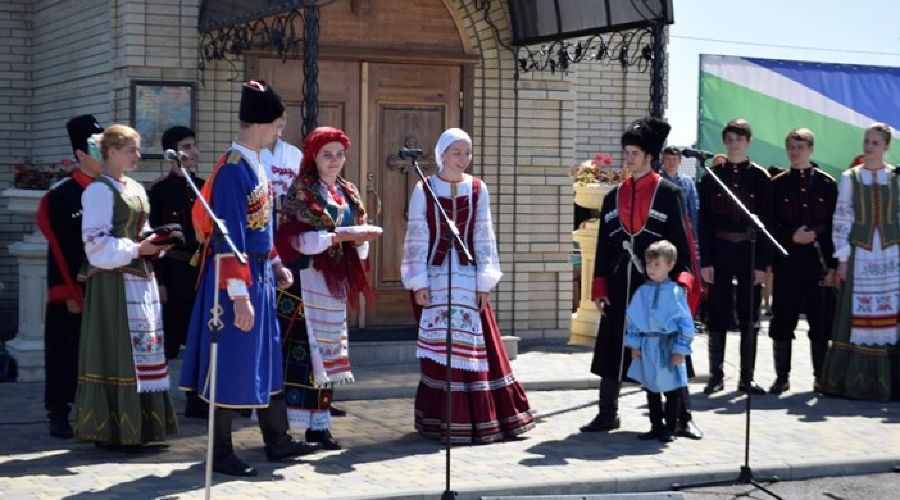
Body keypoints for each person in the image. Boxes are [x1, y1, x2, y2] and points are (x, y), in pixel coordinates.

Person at [179, 81, 319, 477]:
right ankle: (220, 452)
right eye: (278, 126)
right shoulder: (232, 170)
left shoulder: (255, 162)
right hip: (232, 278)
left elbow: (261, 227)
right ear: (264, 124)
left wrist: (274, 262)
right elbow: (229, 236)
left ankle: (277, 439)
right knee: (232, 361)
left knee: (266, 354)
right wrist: (238, 296)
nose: (280, 134)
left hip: (257, 272)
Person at [401, 127, 534, 444]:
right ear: (442, 154)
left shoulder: (477, 188)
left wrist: (485, 280)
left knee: (478, 345)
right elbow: (417, 236)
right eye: (457, 152)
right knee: (441, 347)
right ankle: (442, 420)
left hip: (467, 276)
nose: (463, 158)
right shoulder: (424, 188)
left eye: (467, 152)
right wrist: (417, 280)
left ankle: (482, 420)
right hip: (435, 278)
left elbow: (483, 235)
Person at [580, 117, 698, 434]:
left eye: (633, 153)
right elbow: (604, 248)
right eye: (626, 152)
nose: (627, 159)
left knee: (668, 351)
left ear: (649, 156)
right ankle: (607, 413)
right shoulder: (612, 196)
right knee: (612, 347)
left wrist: (681, 286)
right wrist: (601, 288)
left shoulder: (669, 193)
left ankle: (682, 418)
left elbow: (682, 245)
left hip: (657, 287)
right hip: (620, 286)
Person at [274, 126, 379, 449]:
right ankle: (290, 428)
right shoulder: (301, 190)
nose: (334, 161)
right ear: (313, 157)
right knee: (302, 354)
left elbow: (357, 233)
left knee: (329, 353)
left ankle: (320, 426)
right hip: (304, 280)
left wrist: (359, 241)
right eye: (326, 155)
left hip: (333, 283)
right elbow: (292, 239)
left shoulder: (348, 191)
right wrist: (338, 237)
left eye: (339, 154)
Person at [73, 124, 178, 447]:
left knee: (144, 350)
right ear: (111, 152)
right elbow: (95, 247)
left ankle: (143, 427)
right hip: (113, 283)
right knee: (118, 350)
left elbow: (139, 230)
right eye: (131, 149)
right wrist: (137, 249)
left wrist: (158, 240)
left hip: (139, 278)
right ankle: (113, 430)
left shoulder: (133, 187)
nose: (138, 155)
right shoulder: (99, 191)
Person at [820, 123, 899, 402]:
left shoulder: (897, 177)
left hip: (892, 255)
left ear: (886, 146)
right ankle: (852, 381)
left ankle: (893, 382)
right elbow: (842, 218)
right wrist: (842, 259)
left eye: (875, 143)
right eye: (867, 141)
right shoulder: (851, 177)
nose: (869, 147)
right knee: (857, 311)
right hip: (862, 254)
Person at [36, 114, 104, 438]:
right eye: (98, 147)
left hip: (106, 289)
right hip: (71, 289)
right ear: (81, 153)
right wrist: (73, 292)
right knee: (64, 352)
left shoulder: (111, 188)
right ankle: (58, 412)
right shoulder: (61, 195)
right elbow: (63, 249)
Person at [697, 118, 772, 396]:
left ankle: (747, 378)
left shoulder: (761, 178)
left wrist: (763, 264)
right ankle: (716, 375)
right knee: (717, 315)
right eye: (729, 139)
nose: (734, 144)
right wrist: (706, 261)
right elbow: (703, 221)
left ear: (749, 142)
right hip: (720, 250)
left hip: (749, 251)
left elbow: (768, 223)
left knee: (749, 316)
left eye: (739, 139)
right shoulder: (712, 177)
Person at [768, 128, 837, 395]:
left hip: (818, 263)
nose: (795, 152)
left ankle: (820, 377)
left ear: (810, 148)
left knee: (820, 323)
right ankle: (781, 377)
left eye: (800, 147)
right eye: (791, 147)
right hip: (789, 262)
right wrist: (790, 236)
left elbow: (834, 227)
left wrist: (832, 265)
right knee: (782, 320)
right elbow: (770, 225)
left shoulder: (827, 184)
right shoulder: (778, 185)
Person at [147, 126, 208, 418]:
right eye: (187, 146)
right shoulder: (159, 191)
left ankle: (197, 398)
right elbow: (155, 238)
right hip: (174, 271)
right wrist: (159, 280)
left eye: (195, 145)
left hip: (201, 270)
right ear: (172, 152)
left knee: (198, 336)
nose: (194, 152)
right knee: (169, 339)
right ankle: (156, 400)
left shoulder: (203, 186)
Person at [624, 240, 695, 442]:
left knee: (671, 389)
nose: (651, 269)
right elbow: (634, 320)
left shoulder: (675, 292)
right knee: (650, 388)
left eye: (657, 265)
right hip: (648, 347)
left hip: (667, 346)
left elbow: (685, 322)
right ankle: (656, 425)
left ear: (670, 266)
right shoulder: (642, 291)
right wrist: (635, 344)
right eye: (649, 264)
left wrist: (680, 349)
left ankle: (670, 428)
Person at [659, 146, 704, 440]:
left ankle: (682, 416)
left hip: (679, 276)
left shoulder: (686, 186)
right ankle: (658, 419)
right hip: (655, 269)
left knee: (678, 348)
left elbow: (693, 221)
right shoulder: (656, 186)